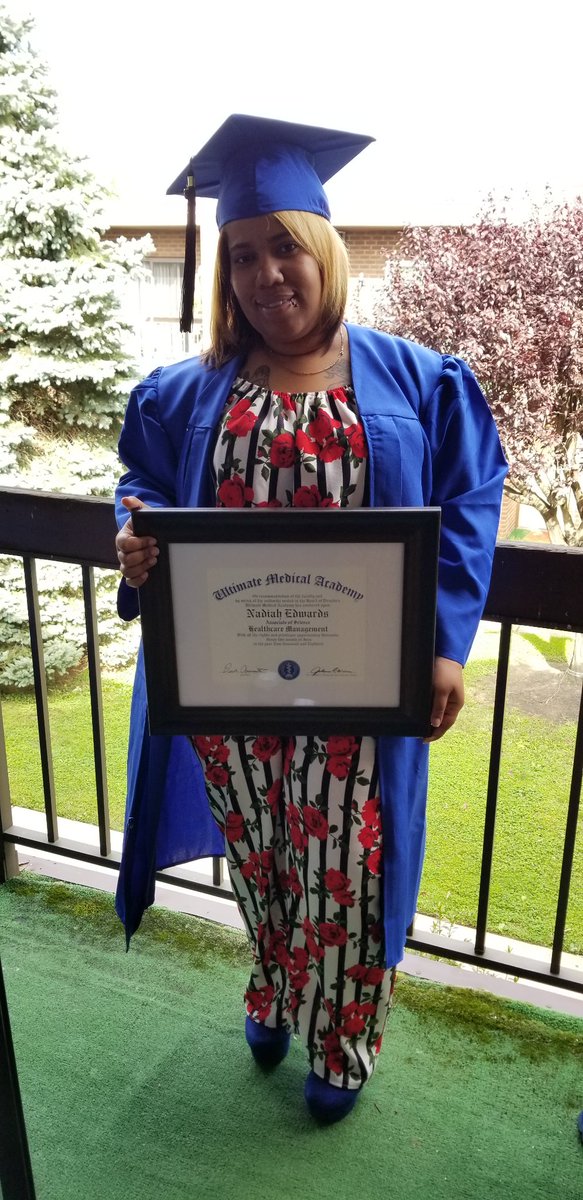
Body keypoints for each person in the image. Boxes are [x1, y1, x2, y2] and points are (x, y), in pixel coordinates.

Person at [114, 114, 507, 1124]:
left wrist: (444, 646)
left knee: (348, 869)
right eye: (243, 255)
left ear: (324, 248)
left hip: (359, 691)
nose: (264, 274)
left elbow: (470, 502)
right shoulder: (186, 391)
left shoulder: (419, 382)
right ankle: (276, 984)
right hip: (232, 685)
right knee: (262, 853)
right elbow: (141, 483)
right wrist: (135, 534)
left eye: (283, 245)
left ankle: (342, 1037)